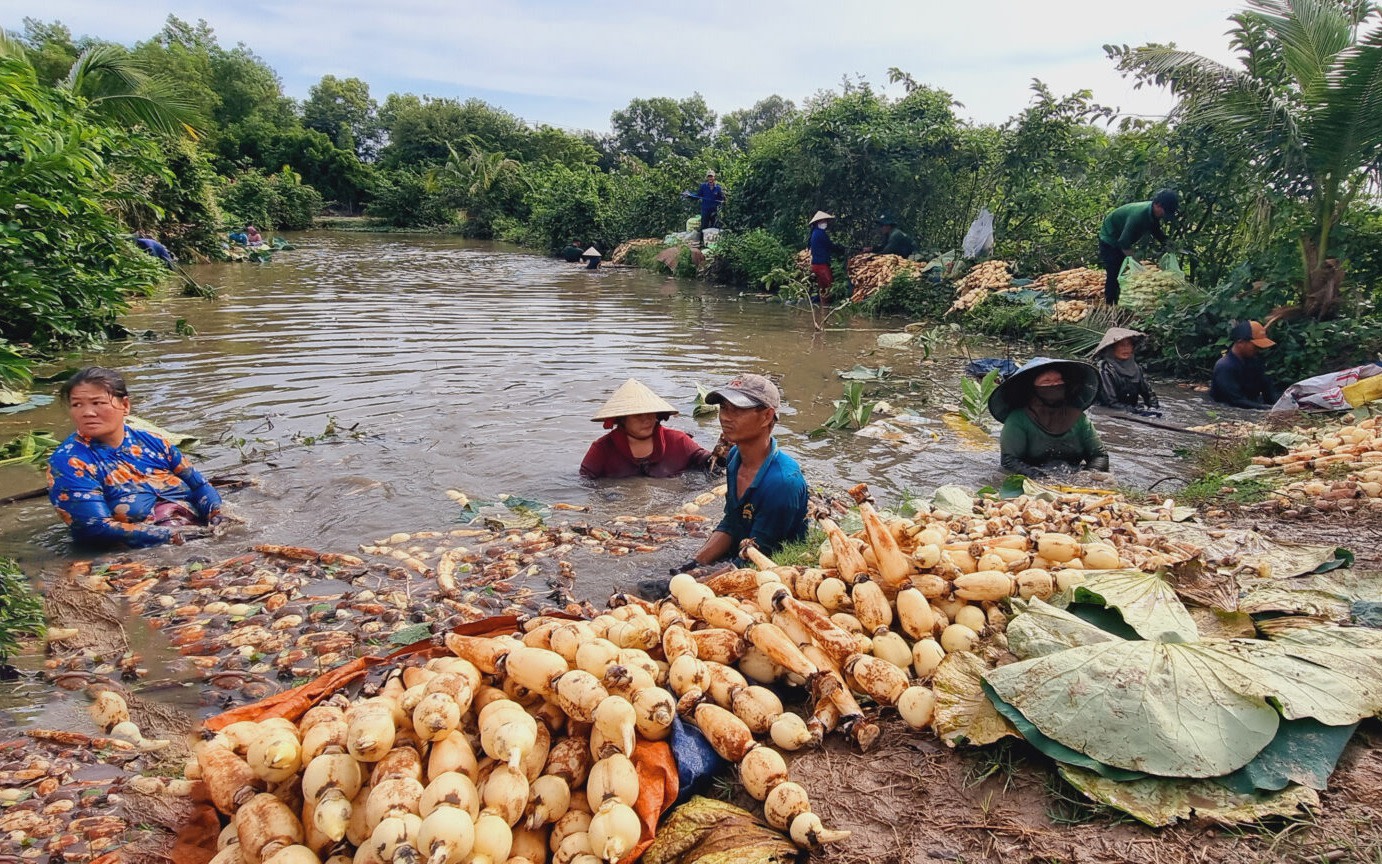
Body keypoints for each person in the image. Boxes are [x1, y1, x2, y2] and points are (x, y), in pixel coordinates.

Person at [47, 367, 223, 548]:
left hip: (193, 533)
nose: (87, 412)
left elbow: (200, 485)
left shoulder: (155, 443)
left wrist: (217, 515)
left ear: (125, 405)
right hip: (135, 552)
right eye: (77, 405)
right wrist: (174, 536)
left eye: (97, 403)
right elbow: (96, 528)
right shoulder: (70, 462)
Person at [674, 374, 807, 571]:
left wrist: (698, 579)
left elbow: (758, 556)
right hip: (742, 552)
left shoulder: (782, 483)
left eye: (737, 410)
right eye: (724, 408)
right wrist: (692, 565)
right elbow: (731, 524)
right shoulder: (735, 457)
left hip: (770, 565)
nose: (725, 417)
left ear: (767, 416)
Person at [989, 358, 1109, 477]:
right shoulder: (1018, 419)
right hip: (1032, 478)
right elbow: (1009, 461)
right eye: (1046, 381)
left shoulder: (1079, 419)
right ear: (1032, 388)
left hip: (1072, 477)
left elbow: (1099, 456)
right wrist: (1038, 477)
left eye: (1059, 380)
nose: (1054, 385)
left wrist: (1090, 475)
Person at [581, 379, 714, 478]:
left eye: (650, 413)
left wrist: (721, 455)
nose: (646, 420)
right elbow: (584, 483)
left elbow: (707, 462)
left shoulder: (678, 440)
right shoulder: (602, 449)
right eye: (638, 415)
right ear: (622, 419)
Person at [1098, 189, 1179, 305]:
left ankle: (1121, 300)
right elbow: (1123, 242)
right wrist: (1137, 263)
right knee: (1114, 271)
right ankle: (1110, 305)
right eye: (1164, 211)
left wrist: (1169, 244)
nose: (1163, 215)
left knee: (1123, 270)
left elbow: (1156, 231)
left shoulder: (1153, 214)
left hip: (1121, 238)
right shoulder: (1139, 215)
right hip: (1110, 239)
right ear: (1157, 205)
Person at [1211, 320, 1280, 409]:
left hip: (1250, 405)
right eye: (1255, 346)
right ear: (1240, 343)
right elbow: (1235, 401)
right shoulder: (1224, 366)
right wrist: (1266, 408)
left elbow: (1269, 392)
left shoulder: (1257, 362)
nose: (1259, 349)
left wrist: (1279, 407)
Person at [1092, 327, 1159, 411]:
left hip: (1130, 408)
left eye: (1129, 344)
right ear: (1112, 348)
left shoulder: (1136, 369)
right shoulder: (1104, 369)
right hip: (1111, 410)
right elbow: (1110, 402)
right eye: (1122, 345)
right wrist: (1135, 411)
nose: (1126, 348)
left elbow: (1149, 395)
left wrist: (1153, 408)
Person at [807, 211, 845, 304]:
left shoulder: (814, 233)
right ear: (818, 222)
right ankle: (825, 306)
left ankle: (821, 306)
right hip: (821, 265)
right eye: (824, 221)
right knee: (829, 285)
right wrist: (841, 250)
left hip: (815, 264)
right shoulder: (820, 233)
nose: (826, 223)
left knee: (822, 287)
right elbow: (830, 246)